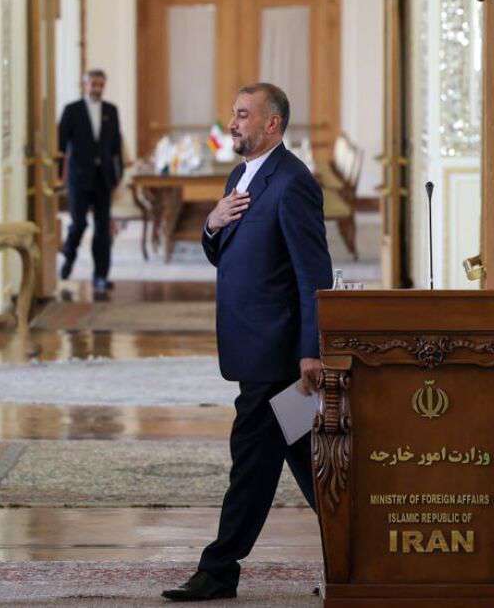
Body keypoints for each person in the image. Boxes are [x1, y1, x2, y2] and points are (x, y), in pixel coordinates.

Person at [162, 83, 333, 602]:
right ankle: (367, 545)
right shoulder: (240, 176)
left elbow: (313, 274)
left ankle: (219, 568)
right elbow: (225, 251)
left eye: (242, 115)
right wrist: (211, 225)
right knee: (311, 461)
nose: (232, 123)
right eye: (233, 114)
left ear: (271, 124)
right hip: (251, 345)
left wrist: (311, 349)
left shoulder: (293, 182)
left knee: (252, 463)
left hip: (276, 354)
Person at [57, 69, 125, 295]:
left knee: (103, 228)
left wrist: (118, 174)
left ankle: (101, 276)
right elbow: (60, 146)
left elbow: (116, 146)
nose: (97, 88)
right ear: (84, 85)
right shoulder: (72, 110)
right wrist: (58, 175)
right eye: (93, 84)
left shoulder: (111, 110)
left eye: (100, 84)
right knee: (79, 224)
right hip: (79, 178)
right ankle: (68, 258)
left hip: (103, 178)